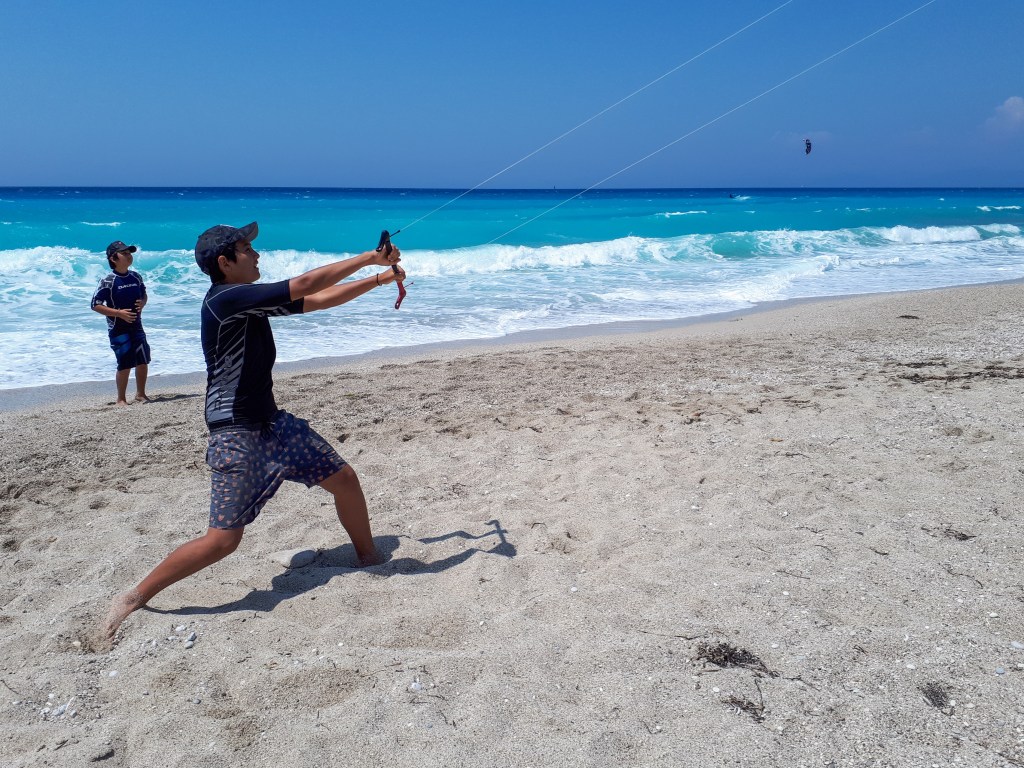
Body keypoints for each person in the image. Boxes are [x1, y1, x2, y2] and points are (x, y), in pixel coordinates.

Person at [102, 221, 405, 640]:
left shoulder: (248, 303)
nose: (257, 254)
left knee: (345, 480)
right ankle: (135, 597)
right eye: (246, 249)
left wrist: (379, 278)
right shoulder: (226, 300)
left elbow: (316, 300)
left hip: (272, 422)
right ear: (225, 263)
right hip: (235, 433)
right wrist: (372, 257)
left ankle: (369, 558)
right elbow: (305, 282)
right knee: (223, 541)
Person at [90, 240, 151, 405]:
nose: (128, 256)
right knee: (124, 363)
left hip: (137, 326)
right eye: (124, 253)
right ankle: (121, 399)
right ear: (113, 258)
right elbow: (95, 305)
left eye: (129, 253)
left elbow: (144, 294)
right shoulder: (108, 281)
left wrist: (143, 302)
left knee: (143, 360)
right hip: (118, 329)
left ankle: (140, 394)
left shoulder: (135, 276)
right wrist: (118, 313)